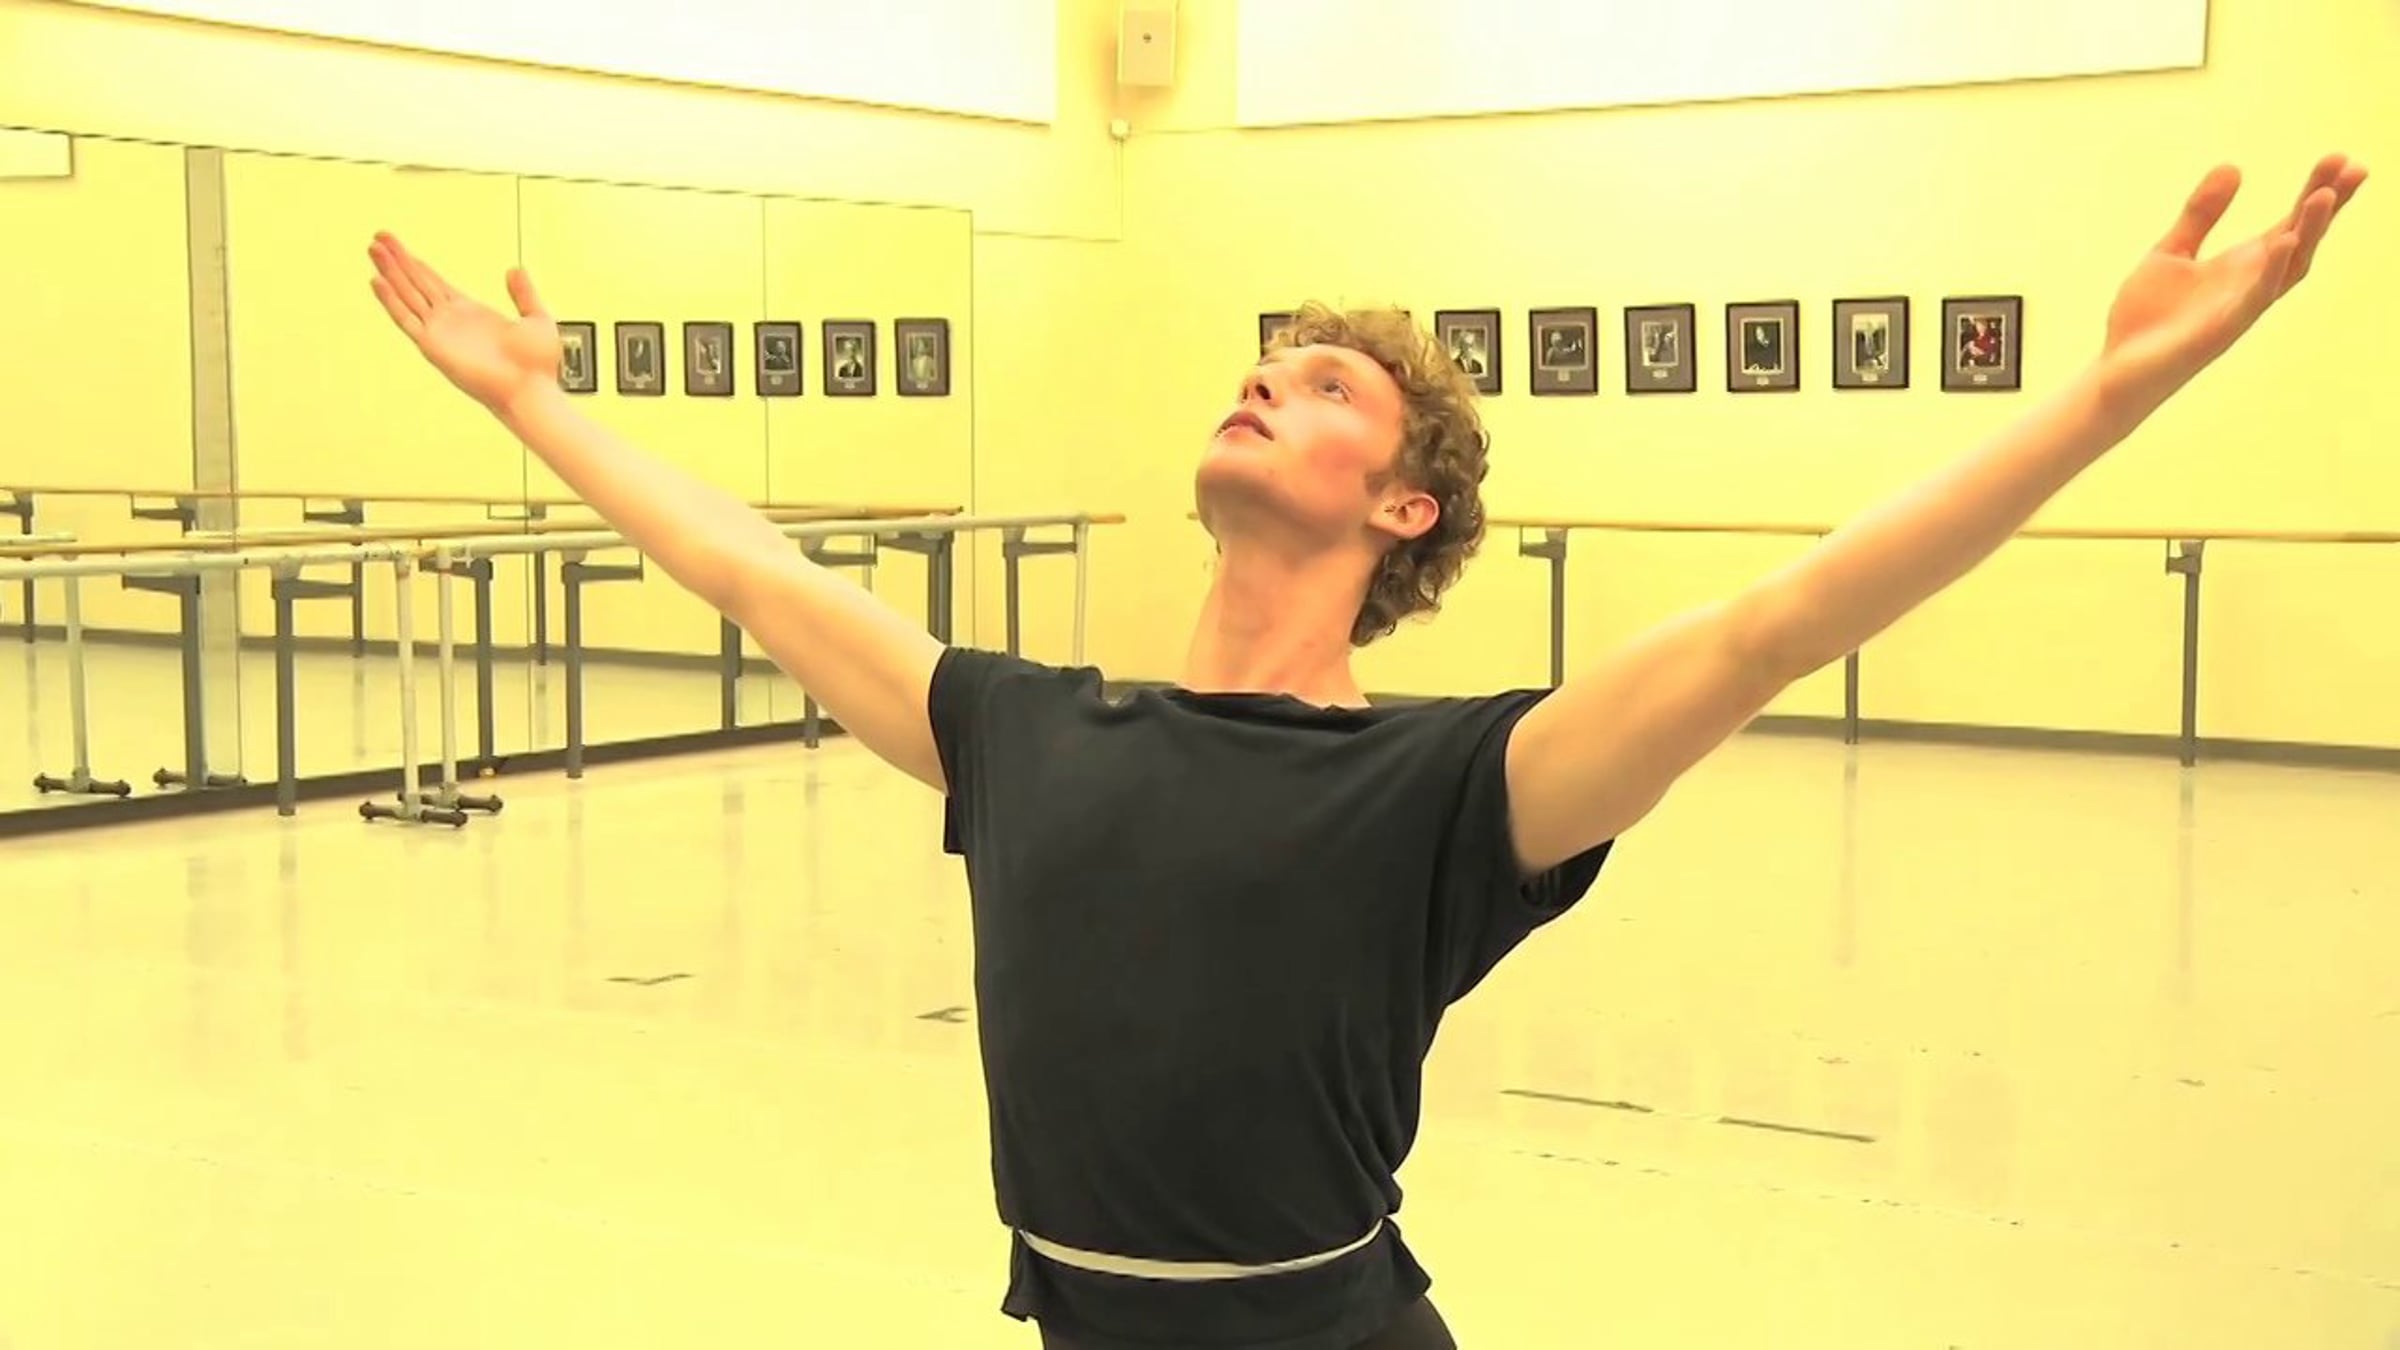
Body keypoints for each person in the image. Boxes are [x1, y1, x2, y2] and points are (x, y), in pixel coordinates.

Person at [365, 153, 2365, 1348]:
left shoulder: (1449, 796)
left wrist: (2106, 398)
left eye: (1323, 386)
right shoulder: (1021, 730)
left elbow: (1784, 620)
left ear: (1406, 508)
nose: (1266, 379)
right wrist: (538, 410)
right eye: (1265, 362)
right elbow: (751, 565)